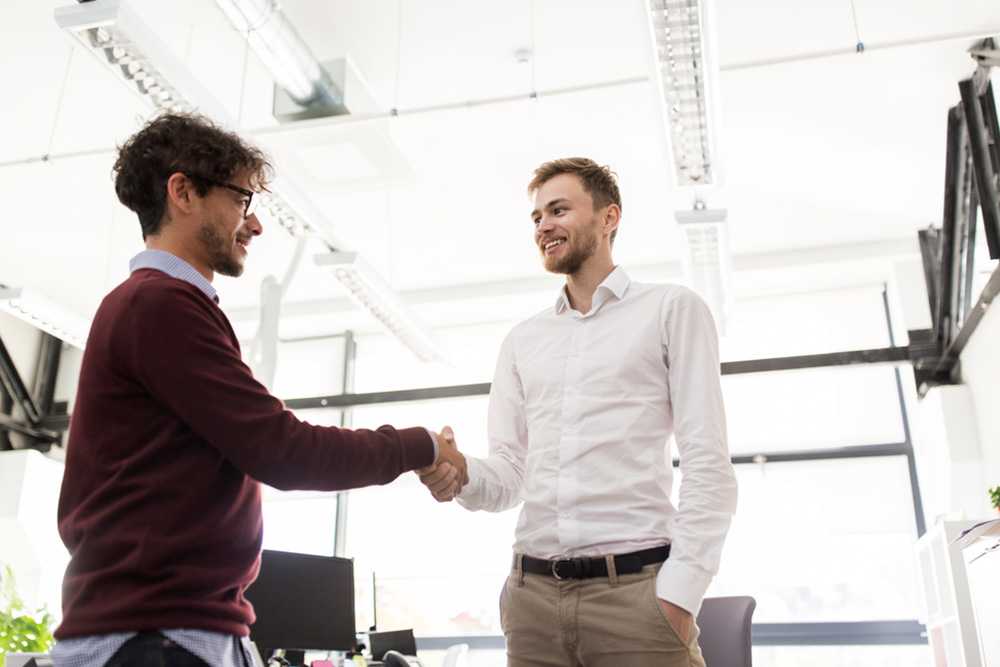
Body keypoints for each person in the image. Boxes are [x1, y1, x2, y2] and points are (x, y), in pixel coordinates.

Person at [52, 112, 466, 667]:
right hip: (153, 637)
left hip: (174, 631)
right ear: (183, 192)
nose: (255, 223)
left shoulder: (160, 305)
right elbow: (285, 452)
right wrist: (422, 446)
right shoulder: (160, 305)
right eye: (242, 200)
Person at [418, 158, 737, 666]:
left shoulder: (672, 309)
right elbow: (511, 474)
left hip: (637, 598)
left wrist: (679, 595)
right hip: (532, 603)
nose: (543, 225)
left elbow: (707, 464)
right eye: (537, 216)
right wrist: (460, 475)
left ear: (609, 217)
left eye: (559, 209)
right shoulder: (524, 341)